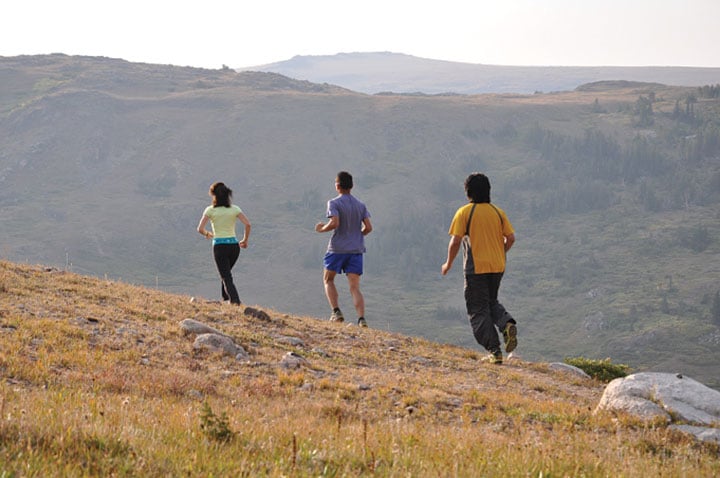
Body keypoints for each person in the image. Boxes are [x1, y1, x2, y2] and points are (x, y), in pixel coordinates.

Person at [441, 173, 517, 364]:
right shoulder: (498, 212)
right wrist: (501, 252)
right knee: (491, 301)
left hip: (476, 269)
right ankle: (506, 323)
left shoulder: (465, 212)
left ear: (468, 192)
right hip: (498, 266)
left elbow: (455, 241)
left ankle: (494, 351)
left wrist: (448, 263)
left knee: (477, 309)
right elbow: (511, 238)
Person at [315, 171, 373, 327]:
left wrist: (322, 229)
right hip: (356, 250)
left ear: (337, 186)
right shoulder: (360, 205)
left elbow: (334, 223)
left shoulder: (334, 203)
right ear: (352, 186)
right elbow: (368, 227)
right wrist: (357, 235)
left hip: (337, 248)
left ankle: (336, 311)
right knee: (355, 287)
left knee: (328, 279)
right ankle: (361, 319)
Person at [197, 182, 251, 305]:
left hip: (219, 246)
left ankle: (235, 301)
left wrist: (208, 234)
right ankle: (226, 299)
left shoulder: (210, 210)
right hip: (234, 246)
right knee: (226, 274)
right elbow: (248, 224)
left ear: (214, 196)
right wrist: (245, 240)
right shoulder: (235, 209)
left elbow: (200, 228)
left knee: (226, 276)